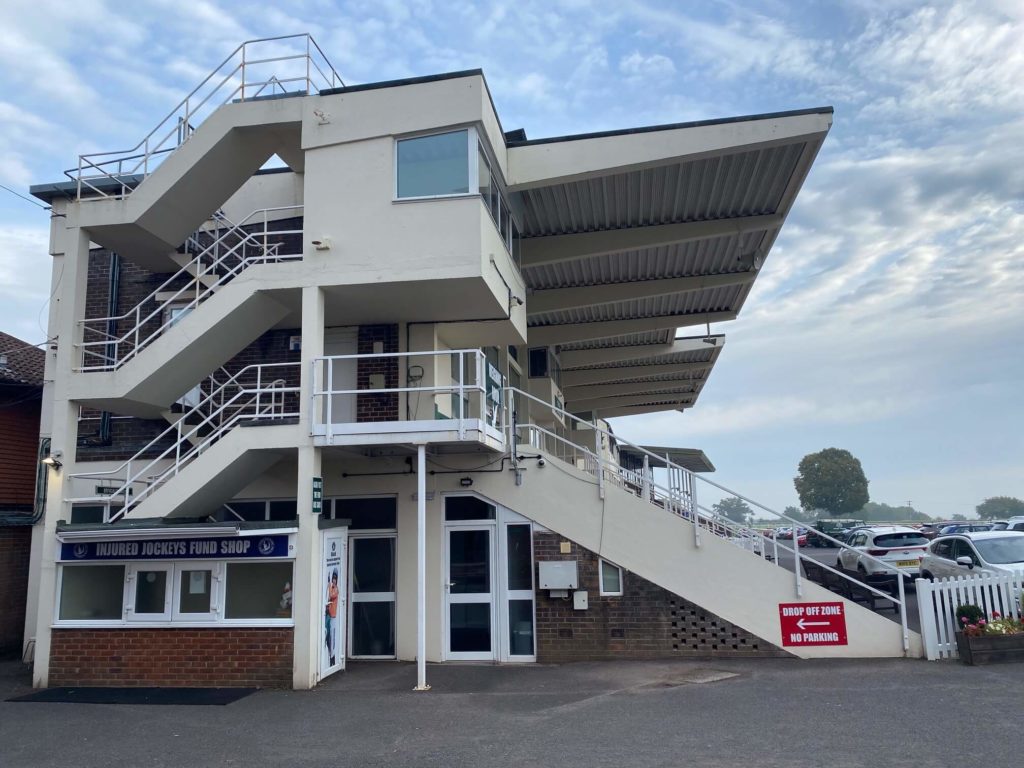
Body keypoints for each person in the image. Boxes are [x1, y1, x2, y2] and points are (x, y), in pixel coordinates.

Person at [325, 569, 339, 666]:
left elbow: (330, 596)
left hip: (333, 616)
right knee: (327, 636)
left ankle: (332, 659)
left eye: (335, 578)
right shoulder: (330, 587)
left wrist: (329, 584)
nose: (334, 580)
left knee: (332, 638)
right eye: (333, 578)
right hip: (328, 615)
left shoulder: (336, 589)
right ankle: (330, 655)